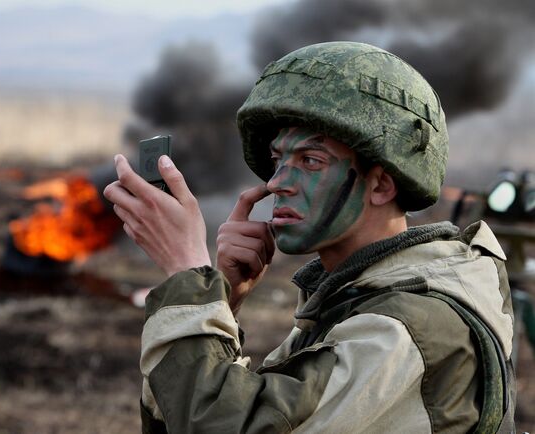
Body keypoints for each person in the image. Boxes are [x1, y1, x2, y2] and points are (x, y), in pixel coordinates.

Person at [104, 42, 516, 433]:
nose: (278, 182)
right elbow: (189, 419)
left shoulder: (408, 329)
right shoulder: (356, 299)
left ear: (382, 185)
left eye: (310, 161)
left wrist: (188, 273)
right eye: (277, 159)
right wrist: (222, 301)